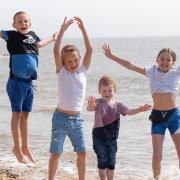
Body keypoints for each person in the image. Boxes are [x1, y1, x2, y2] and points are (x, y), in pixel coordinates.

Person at [102, 44, 180, 179]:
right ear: (157, 60)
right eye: (162, 58)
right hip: (157, 118)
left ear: (173, 63)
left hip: (174, 116)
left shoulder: (176, 71)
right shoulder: (152, 71)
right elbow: (131, 66)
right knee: (157, 154)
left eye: (168, 60)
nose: (165, 62)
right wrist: (111, 56)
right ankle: (156, 178)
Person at [0, 11, 58, 164]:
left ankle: (25, 147)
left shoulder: (32, 35)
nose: (23, 24)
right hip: (16, 83)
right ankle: (17, 149)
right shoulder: (11, 35)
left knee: (25, 116)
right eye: (19, 22)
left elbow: (39, 44)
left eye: (25, 21)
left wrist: (52, 38)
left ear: (30, 23)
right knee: (16, 114)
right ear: (14, 25)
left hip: (29, 84)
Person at [48, 16, 92, 180]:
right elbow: (55, 50)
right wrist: (63, 30)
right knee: (56, 153)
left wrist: (83, 29)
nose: (73, 63)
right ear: (63, 62)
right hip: (60, 118)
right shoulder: (62, 72)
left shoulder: (83, 71)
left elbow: (90, 50)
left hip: (77, 120)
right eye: (69, 61)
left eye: (75, 60)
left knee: (82, 152)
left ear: (79, 59)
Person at [87, 75, 151, 180]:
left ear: (114, 90)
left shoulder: (118, 104)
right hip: (99, 137)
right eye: (104, 91)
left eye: (110, 90)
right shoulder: (98, 103)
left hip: (112, 138)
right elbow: (90, 108)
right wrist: (90, 104)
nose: (107, 93)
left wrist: (139, 109)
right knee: (102, 160)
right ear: (100, 91)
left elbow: (129, 111)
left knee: (111, 162)